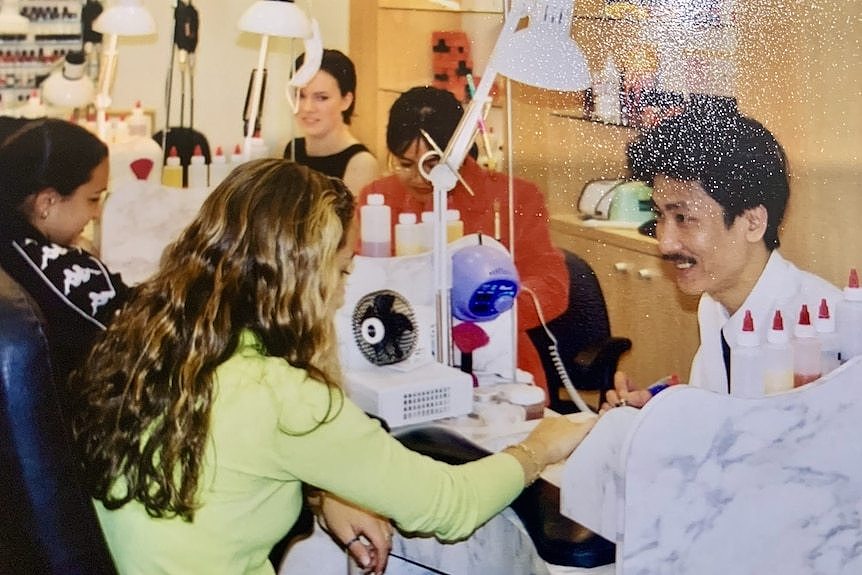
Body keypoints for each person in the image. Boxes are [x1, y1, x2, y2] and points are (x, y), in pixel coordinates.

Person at [73, 159, 594, 575]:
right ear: (303, 277)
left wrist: (324, 494)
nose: (344, 291)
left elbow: (226, 465)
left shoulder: (152, 339)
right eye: (342, 270)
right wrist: (540, 445)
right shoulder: (286, 397)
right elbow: (449, 506)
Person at [604, 105, 841, 409]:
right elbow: (721, 413)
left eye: (684, 218)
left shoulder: (822, 328)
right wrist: (655, 407)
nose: (665, 243)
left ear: (753, 222)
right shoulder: (715, 303)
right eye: (660, 215)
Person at [358, 86, 569, 394]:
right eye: (405, 164)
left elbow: (552, 284)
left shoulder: (514, 198)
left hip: (492, 363)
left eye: (432, 164)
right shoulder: (377, 199)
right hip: (400, 360)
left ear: (459, 150)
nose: (419, 177)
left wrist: (487, 307)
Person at [0, 118, 130, 408]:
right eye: (93, 199)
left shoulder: (11, 245)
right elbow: (143, 331)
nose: (96, 214)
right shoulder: (60, 270)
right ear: (47, 202)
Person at [284, 49, 379, 194]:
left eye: (321, 98)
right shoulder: (292, 148)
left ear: (346, 100)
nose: (308, 108)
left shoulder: (361, 163)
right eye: (301, 96)